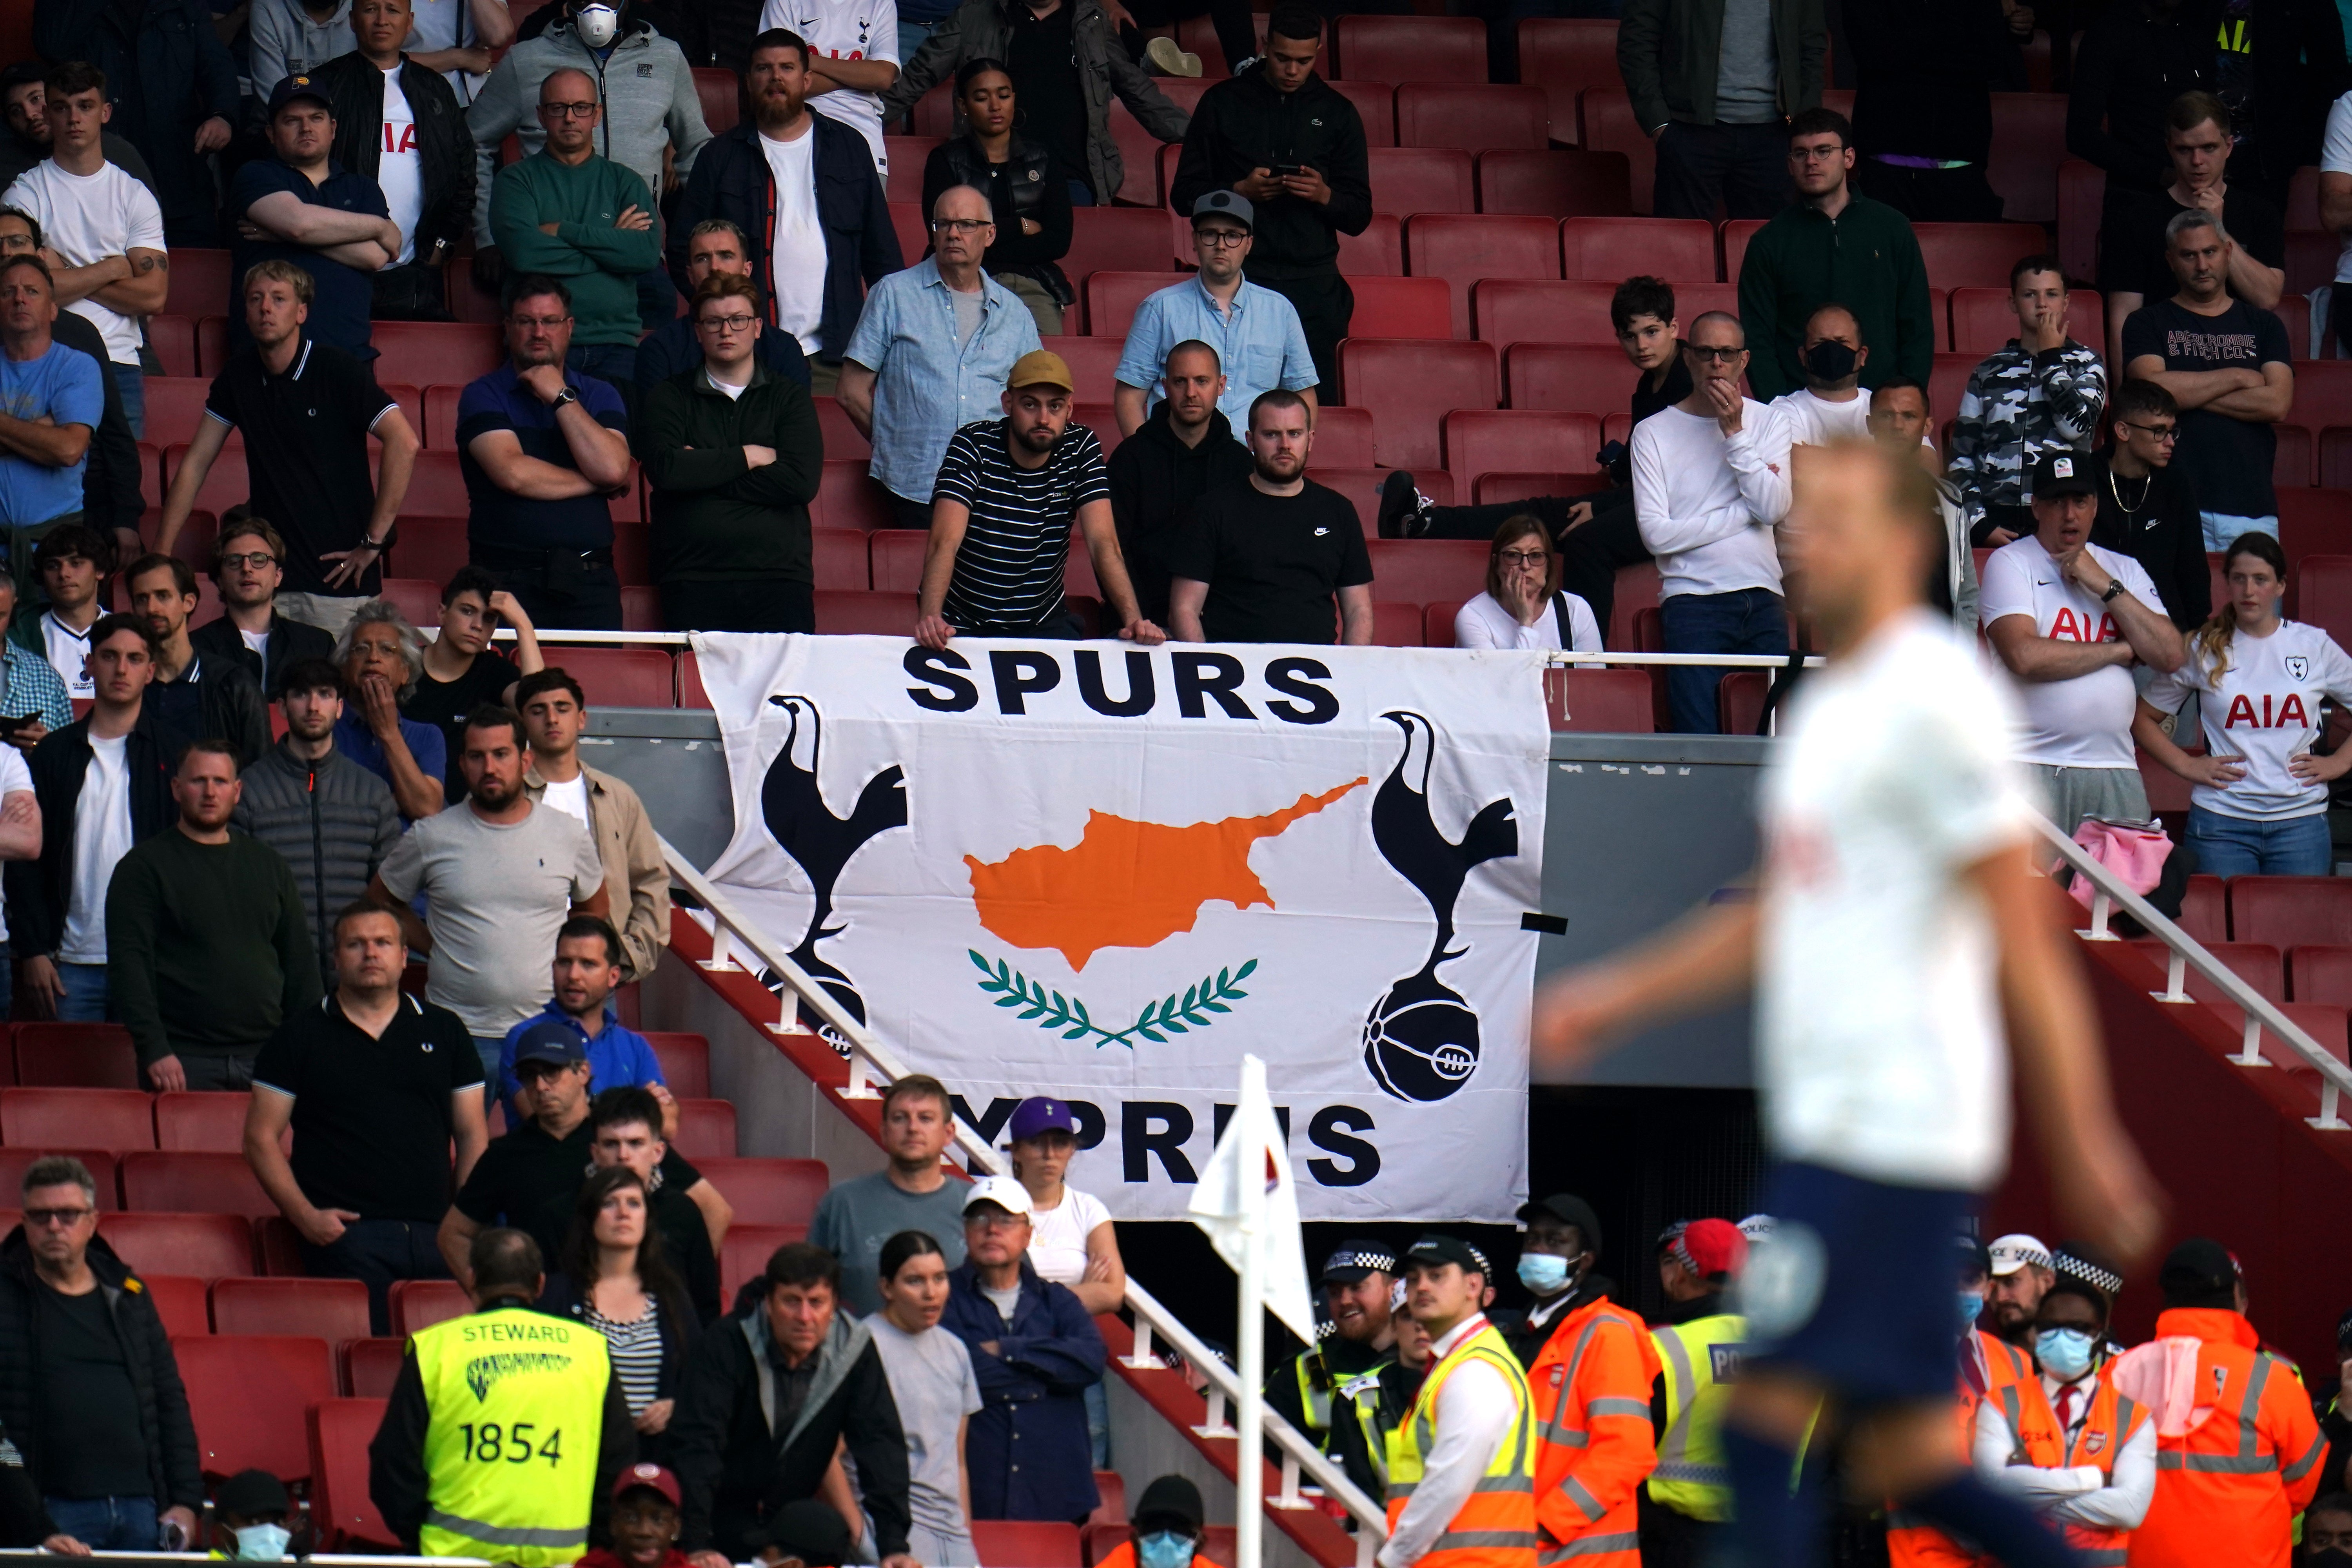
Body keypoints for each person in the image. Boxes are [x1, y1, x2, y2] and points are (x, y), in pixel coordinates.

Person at [1533, 437, 2163, 1568]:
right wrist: (1614, 998)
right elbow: (1776, 914)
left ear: (1908, 541)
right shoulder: (1834, 704)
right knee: (1911, 1462)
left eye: (1832, 515)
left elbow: (2020, 928)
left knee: (1764, 1429)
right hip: (1858, 1124)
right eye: (1798, 516)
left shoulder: (1932, 695)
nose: (1801, 537)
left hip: (1890, 1125)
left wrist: (2086, 1135)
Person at [1383, 273, 1687, 641]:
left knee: (1586, 540)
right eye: (1630, 336)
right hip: (1643, 497)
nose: (1641, 345)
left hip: (1680, 506)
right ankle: (1424, 524)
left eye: (1651, 332)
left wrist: (1603, 510)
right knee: (1539, 515)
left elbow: (1683, 479)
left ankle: (1579, 660)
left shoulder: (1689, 379)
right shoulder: (1649, 384)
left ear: (1674, 327)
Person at [246, 897, 487, 1334]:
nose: (371, 953)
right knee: (372, 1367)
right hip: (347, 1238)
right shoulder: (298, 1036)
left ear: (402, 954)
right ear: (337, 958)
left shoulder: (445, 1030)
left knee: (443, 1373)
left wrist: (464, 1223)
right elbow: (260, 1138)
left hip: (438, 1235)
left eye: (382, 942)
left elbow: (472, 1133)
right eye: (356, 944)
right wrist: (306, 1217)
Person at [156, 262, 420, 632]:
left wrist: (373, 542)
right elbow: (195, 463)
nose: (266, 308)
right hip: (269, 587)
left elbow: (405, 441)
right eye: (256, 299)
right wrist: (162, 554)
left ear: (301, 313)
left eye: (279, 299)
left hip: (339, 587)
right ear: (245, 312)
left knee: (331, 691)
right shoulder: (238, 376)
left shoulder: (337, 370)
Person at [370, 1226, 639, 1563]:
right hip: (564, 1560)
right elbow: (619, 1461)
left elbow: (393, 1462)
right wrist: (594, 1542)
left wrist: (417, 1532)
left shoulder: (436, 1349)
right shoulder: (590, 1350)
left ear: (471, 1279)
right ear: (540, 1283)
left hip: (453, 1558)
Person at [373, 703, 608, 1081]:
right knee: (458, 1141)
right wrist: (432, 944)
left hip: (545, 1027)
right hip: (455, 1030)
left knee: (543, 1142)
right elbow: (380, 902)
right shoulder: (431, 835)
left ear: (525, 760)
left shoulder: (567, 834)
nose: (490, 768)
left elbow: (594, 910)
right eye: (477, 757)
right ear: (462, 765)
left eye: (501, 755)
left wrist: (561, 959)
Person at [670, 29, 902, 399]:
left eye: (787, 68)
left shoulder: (849, 146)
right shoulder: (719, 157)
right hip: (748, 354)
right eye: (764, 69)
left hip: (837, 354)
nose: (776, 77)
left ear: (807, 80)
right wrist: (721, 317)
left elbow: (883, 258)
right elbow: (684, 250)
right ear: (748, 82)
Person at [669, 1241, 918, 1568]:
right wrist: (696, 1542)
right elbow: (699, 1445)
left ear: (834, 1308)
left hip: (791, 1531)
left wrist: (894, 1546)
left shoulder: (854, 1350)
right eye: (791, 1302)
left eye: (817, 1303)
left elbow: (881, 1447)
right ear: (769, 1303)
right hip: (717, 1524)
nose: (805, 1317)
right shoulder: (725, 1342)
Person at [463, 0, 710, 324]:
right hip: (550, 257)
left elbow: (697, 152)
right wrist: (488, 234)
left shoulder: (666, 56)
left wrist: (707, 238)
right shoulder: (527, 59)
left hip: (632, 250)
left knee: (655, 333)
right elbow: (472, 143)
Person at [0, 1155, 201, 1549]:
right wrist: (36, 1527)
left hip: (143, 1510)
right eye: (41, 1216)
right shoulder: (4, 1297)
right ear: (24, 1223)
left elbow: (168, 1402)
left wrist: (186, 1502)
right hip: (52, 1513)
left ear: (93, 1222)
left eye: (68, 1214)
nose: (54, 1226)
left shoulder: (129, 1295)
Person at [1981, 451, 2184, 837]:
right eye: (2057, 502)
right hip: (2027, 763)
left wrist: (2104, 586)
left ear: (2095, 506)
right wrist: (2121, 650)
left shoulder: (2123, 569)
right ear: (2036, 507)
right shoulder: (2011, 562)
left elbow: (2171, 654)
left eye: (2079, 501)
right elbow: (2025, 657)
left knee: (2121, 895)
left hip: (2115, 766)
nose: (2069, 515)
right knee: (2033, 897)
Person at [1166, 7, 1363, 388]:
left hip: (1314, 284)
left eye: (1304, 61)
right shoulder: (1223, 102)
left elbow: (1359, 215)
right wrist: (1238, 193)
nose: (1292, 70)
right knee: (1231, 397)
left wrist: (1324, 195)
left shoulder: (1338, 113)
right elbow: (1183, 196)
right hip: (1237, 278)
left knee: (1313, 404)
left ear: (1319, 52)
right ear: (1264, 46)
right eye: (1283, 58)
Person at [106, 740, 317, 1093]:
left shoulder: (269, 865)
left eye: (220, 782)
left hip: (268, 1057)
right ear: (176, 788)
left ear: (237, 791)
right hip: (182, 1063)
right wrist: (154, 1049)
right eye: (198, 781)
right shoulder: (143, 869)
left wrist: (306, 1048)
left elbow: (300, 965)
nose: (209, 792)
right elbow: (130, 968)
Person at [2137, 530, 2352, 877]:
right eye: (2239, 579)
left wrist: (2339, 762)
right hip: (2221, 823)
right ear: (2228, 584)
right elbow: (2142, 717)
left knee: (2298, 931)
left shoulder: (2313, 645)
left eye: (2261, 580)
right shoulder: (2204, 647)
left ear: (2281, 586)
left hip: (2301, 824)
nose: (2249, 591)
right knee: (2218, 932)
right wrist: (2187, 766)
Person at [2108, 1238, 2325, 1568]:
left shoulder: (2118, 1372)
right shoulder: (2272, 1380)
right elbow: (2304, 1482)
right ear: (2233, 1297)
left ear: (2167, 1298)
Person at [915, 349, 1156, 646]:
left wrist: (1133, 620)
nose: (1043, 418)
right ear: (1008, 404)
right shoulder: (972, 444)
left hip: (1043, 623)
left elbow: (1104, 543)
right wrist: (931, 617)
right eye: (1030, 405)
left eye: (1054, 407)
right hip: (963, 623)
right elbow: (944, 541)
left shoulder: (1081, 447)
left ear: (1069, 409)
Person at [840, 186, 1043, 533]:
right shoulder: (893, 294)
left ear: (990, 234)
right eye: (943, 224)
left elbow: (1034, 398)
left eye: (966, 224)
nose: (952, 233)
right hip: (914, 486)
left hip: (993, 489)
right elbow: (850, 391)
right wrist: (898, 445)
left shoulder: (1015, 313)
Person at [1630, 311, 1793, 735]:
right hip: (1693, 602)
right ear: (1688, 358)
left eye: (1727, 353)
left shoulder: (1770, 420)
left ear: (1744, 360)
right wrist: (1744, 512)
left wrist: (1735, 433)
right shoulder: (1653, 433)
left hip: (1763, 596)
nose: (1716, 363)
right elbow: (1655, 535)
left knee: (1774, 746)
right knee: (1699, 741)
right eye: (1705, 352)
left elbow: (1775, 508)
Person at [438, 1033, 707, 1284]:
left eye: (552, 1072)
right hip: (547, 1314)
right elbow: (454, 1235)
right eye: (529, 1076)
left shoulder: (617, 1137)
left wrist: (680, 1289)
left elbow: (712, 1210)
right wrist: (494, 1299)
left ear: (583, 1073)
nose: (541, 1086)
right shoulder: (506, 1154)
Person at [8, 614, 171, 1024]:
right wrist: (32, 950)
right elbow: (28, 863)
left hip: (153, 963)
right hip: (69, 962)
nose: (122, 669)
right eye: (110, 656)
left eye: (135, 659)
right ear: (90, 664)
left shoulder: (176, 755)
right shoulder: (53, 755)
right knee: (69, 1087)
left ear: (151, 671)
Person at [640, 272, 824, 632]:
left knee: (783, 690)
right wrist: (750, 456)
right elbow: (666, 471)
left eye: (738, 320)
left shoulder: (788, 397)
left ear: (757, 327)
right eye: (713, 321)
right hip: (693, 576)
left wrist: (702, 473)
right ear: (697, 331)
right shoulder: (669, 397)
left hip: (780, 578)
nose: (726, 331)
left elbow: (800, 482)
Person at [884, 0, 1189, 214]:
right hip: (990, 175)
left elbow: (1138, 90)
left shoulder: (1091, 22)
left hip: (1071, 177)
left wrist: (1200, 138)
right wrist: (858, 124)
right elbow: (916, 78)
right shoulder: (974, 16)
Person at [456, 276, 634, 629]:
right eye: (527, 321)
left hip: (590, 584)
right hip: (504, 582)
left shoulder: (601, 395)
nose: (539, 332)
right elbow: (513, 475)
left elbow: (614, 469)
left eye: (550, 322)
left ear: (569, 327)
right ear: (509, 327)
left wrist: (561, 396)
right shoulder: (483, 394)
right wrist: (596, 482)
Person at [0, 64, 165, 437]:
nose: (74, 118)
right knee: (45, 484)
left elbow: (154, 296)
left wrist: (64, 270)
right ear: (48, 115)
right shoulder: (24, 195)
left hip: (120, 362)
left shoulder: (134, 195)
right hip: (47, 356)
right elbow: (22, 291)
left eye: (85, 106)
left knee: (120, 487)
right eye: (61, 108)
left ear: (105, 112)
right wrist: (113, 268)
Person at [2122, 210, 2296, 551]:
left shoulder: (2264, 326)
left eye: (2210, 253)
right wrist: (2238, 376)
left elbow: (2277, 403)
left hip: (2251, 508)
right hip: (2170, 503)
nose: (2202, 265)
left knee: (2252, 607)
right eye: (2189, 255)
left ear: (2228, 253)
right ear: (2171, 261)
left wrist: (2184, 391)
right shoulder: (2146, 323)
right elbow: (2150, 394)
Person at [1737, 109, 1934, 403]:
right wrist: (1778, 408)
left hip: (1883, 407)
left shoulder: (1893, 228)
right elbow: (1757, 339)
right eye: (1800, 153)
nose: (1812, 161)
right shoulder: (1769, 242)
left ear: (1849, 158)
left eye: (1824, 151)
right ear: (1790, 165)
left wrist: (1904, 400)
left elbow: (1916, 325)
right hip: (1797, 408)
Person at [939, 1176, 1105, 1523]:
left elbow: (1090, 1361)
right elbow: (952, 1371)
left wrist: (1006, 1349)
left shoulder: (1057, 1300)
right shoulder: (942, 1297)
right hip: (974, 1497)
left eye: (1005, 1220)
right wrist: (1044, 1378)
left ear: (1028, 1234)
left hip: (1054, 1494)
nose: (992, 1230)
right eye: (980, 1220)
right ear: (965, 1231)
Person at [487, 70, 664, 392]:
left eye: (581, 107)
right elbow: (525, 253)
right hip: (538, 344)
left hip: (616, 346)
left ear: (597, 114)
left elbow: (645, 253)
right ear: (542, 115)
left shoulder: (625, 182)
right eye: (558, 108)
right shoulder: (515, 181)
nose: (570, 118)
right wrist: (612, 247)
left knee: (615, 442)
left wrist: (563, 231)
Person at [309, 0, 479, 320]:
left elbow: (464, 175)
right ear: (353, 20)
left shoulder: (435, 90)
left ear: (410, 21)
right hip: (337, 267)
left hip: (416, 275)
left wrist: (438, 249)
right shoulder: (324, 85)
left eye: (393, 10)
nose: (382, 20)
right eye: (371, 9)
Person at [1376, 1234, 1535, 1568]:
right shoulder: (1461, 1361)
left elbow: (1448, 1482)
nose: (1421, 1287)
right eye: (1414, 1278)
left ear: (1473, 1286)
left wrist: (1393, 1557)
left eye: (1437, 1276)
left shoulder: (1474, 1369)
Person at [1167, 387, 1372, 646]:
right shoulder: (1212, 510)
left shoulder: (1339, 511)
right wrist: (1208, 670)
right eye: (1272, 434)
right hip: (1233, 675)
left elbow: (1359, 612)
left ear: (1310, 440)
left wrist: (1349, 676)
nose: (1285, 445)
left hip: (1319, 675)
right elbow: (1184, 611)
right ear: (1251, 441)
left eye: (1294, 434)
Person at [2101, 93, 2287, 374]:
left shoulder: (2261, 213)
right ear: (2169, 148)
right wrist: (2127, 402)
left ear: (2228, 146)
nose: (2197, 161)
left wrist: (2218, 229)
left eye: (2209, 148)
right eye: (2185, 150)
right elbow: (2123, 319)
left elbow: (2268, 298)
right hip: (2164, 368)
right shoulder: (2135, 218)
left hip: (2239, 361)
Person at [29, 0, 237, 249]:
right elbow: (51, 45)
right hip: (101, 181)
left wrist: (222, 116)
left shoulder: (185, 5)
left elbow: (215, 64)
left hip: (180, 173)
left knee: (195, 269)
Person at [1983, 1269, 2154, 1564]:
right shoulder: (2000, 1404)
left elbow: (2129, 1510)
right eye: (2050, 1326)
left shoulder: (2133, 1417)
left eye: (2076, 1328)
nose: (2061, 1337)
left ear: (2100, 1336)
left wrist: (2027, 1490)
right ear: (2036, 1330)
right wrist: (2094, 1479)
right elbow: (1991, 1495)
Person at [1114, 192, 1315, 442]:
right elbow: (1129, 397)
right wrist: (1148, 461)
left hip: (1256, 467)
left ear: (1249, 244)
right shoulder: (1159, 308)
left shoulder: (1280, 311)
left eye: (1233, 236)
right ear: (1194, 242)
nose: (1221, 245)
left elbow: (1302, 395)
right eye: (1210, 234)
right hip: (1179, 462)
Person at [227, 75, 400, 363]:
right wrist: (380, 226)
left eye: (316, 118)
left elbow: (373, 257)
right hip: (268, 357)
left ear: (333, 129)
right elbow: (299, 224)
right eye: (292, 120)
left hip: (349, 358)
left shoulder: (362, 188)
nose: (306, 128)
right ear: (271, 133)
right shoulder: (255, 175)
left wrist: (281, 235)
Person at [0, 206, 140, 560]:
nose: (5, 252)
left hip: (66, 525)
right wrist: (45, 429)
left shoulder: (77, 340)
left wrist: (125, 516)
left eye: (16, 242)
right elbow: (60, 444)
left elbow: (91, 439)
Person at [1949, 256, 2111, 548]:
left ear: (2066, 302)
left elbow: (2076, 428)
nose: (2042, 304)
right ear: (2012, 303)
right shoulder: (1988, 371)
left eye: (2052, 294)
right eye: (2029, 294)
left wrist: (2051, 358)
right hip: (1996, 519)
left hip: (2062, 518)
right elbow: (1961, 457)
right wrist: (1979, 523)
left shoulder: (2087, 363)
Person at [519, 671, 670, 980]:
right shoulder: (503, 796)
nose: (551, 719)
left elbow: (650, 880)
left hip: (596, 972)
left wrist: (629, 955)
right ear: (522, 722)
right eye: (538, 710)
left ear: (582, 719)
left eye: (562, 708)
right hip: (523, 970)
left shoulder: (617, 797)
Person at [1618, 0, 1826, 221]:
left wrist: (1803, 127)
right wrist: (1658, 123)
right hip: (1689, 129)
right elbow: (1637, 39)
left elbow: (1812, 46)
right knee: (1681, 247)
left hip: (1775, 134)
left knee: (1771, 250)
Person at [543, 1165, 701, 1457]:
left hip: (655, 1458)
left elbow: (700, 1378)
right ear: (590, 1218)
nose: (623, 1213)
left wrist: (675, 1406)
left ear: (647, 1219)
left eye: (634, 1203)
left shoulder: (671, 1295)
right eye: (609, 1203)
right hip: (576, 1454)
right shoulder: (558, 1294)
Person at [1005, 1095, 1121, 1467]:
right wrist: (1078, 1294)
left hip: (1073, 1356)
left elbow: (1113, 1292)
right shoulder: (997, 1206)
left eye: (1060, 1143)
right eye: (1038, 1143)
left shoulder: (1088, 1209)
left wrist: (1031, 1296)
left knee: (1088, 1450)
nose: (1050, 1154)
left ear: (1072, 1150)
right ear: (1017, 1150)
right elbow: (996, 1293)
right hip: (1012, 1357)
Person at [919, 60, 1074, 336]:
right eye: (981, 98)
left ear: (1014, 99)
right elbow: (944, 234)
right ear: (963, 106)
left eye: (1004, 96)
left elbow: (1058, 240)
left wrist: (979, 237)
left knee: (1043, 370)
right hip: (958, 281)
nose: (995, 106)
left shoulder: (1043, 158)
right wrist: (1020, 227)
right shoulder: (946, 160)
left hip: (1031, 282)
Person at [1105, 340, 1252, 628]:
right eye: (1180, 381)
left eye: (1202, 381)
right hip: (1139, 624)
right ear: (1165, 386)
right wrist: (1136, 619)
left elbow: (1246, 557)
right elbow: (1112, 550)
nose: (1191, 393)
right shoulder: (1130, 458)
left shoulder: (1241, 464)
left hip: (1222, 626)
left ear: (1221, 385)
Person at [809, 1076, 971, 1319]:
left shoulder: (977, 1205)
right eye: (900, 1118)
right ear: (884, 1132)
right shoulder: (842, 1204)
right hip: (859, 1354)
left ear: (949, 1134)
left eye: (925, 1118)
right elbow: (808, 1291)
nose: (913, 1128)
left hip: (957, 1355)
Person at [1840, 0, 2014, 224]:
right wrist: (1953, 42)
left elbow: (1991, 59)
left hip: (1959, 155)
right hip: (1884, 154)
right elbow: (1871, 52)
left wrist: (1904, 47)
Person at [866, 1231, 982, 1566]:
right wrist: (862, 1534)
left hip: (953, 1531)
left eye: (940, 1278)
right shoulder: (863, 1346)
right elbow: (833, 1455)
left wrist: (965, 1533)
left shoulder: (955, 1350)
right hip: (891, 1528)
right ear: (887, 1288)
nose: (931, 1293)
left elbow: (956, 1458)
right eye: (915, 1281)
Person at [1642, 1219, 1747, 1568]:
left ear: (1684, 1274)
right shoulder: (1789, 1348)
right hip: (1766, 1533)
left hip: (1676, 1537)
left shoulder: (1663, 1346)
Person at [495, 913, 668, 1123]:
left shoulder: (635, 1046)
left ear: (613, 976)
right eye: (565, 963)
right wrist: (637, 1110)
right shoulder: (525, 1037)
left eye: (588, 964)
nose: (574, 975)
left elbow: (667, 1123)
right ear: (553, 968)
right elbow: (550, 1122)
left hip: (621, 1157)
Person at [579, 1087, 728, 1326]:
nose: (624, 1155)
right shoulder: (564, 1213)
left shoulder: (683, 1212)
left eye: (635, 1143)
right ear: (595, 1153)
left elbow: (705, 1305)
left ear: (658, 1152)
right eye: (611, 1144)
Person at [1265, 1241, 1396, 1504]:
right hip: (1331, 1528)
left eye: (1357, 1288)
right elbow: (1265, 1463)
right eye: (1335, 1293)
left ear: (1393, 1290)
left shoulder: (1423, 1360)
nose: (1345, 1301)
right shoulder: (1305, 1369)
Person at [402, 566, 542, 802]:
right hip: (404, 807)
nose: (478, 625)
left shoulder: (494, 671)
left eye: (489, 618)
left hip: (474, 814)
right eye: (468, 612)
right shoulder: (403, 668)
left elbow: (538, 707)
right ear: (442, 613)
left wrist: (523, 625)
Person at [123, 554, 273, 766]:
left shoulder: (234, 684)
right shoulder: (127, 682)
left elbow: (261, 772)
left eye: (163, 596)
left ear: (189, 602)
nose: (152, 609)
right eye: (142, 599)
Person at [634, 220, 812, 393]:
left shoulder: (784, 350)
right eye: (702, 258)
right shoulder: (660, 350)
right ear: (690, 274)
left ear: (747, 270)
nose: (714, 267)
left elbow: (796, 420)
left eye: (726, 256)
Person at [0, 254, 103, 555]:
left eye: (32, 291)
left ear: (54, 309)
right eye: (8, 292)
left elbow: (68, 450)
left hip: (58, 552)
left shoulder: (77, 367)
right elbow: (58, 444)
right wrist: (42, 431)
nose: (20, 299)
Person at [2089, 383, 2208, 639]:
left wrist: (2195, 635)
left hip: (2160, 629)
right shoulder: (2087, 478)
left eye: (2172, 432)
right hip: (2093, 623)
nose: (2170, 442)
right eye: (2158, 432)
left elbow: (2192, 570)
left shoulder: (2175, 484)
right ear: (2123, 431)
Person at [1867, 377, 1981, 631]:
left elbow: (1967, 593)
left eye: (1909, 416)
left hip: (1939, 660)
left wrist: (1963, 652)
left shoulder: (1950, 500)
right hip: (1873, 659)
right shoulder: (1847, 496)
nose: (1898, 426)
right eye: (1887, 416)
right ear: (1870, 423)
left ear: (1927, 425)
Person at [187, 517, 336, 696]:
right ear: (220, 581)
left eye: (259, 559)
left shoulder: (318, 645)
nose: (247, 568)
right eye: (234, 561)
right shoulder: (194, 648)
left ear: (278, 577)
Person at [330, 600, 448, 820]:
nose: (373, 658)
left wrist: (388, 732)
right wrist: (394, 803)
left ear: (405, 672)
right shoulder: (324, 729)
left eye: (387, 650)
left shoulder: (427, 737)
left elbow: (428, 810)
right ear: (345, 668)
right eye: (361, 649)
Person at [756, 0, 902, 176]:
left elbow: (883, 77)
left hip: (862, 135)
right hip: (792, 136)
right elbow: (780, 86)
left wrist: (810, 60)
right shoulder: (783, 2)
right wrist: (860, 76)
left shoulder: (880, 3)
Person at [0, 64, 156, 199]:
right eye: (16, 111)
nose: (29, 114)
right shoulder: (8, 170)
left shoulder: (118, 153)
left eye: (36, 99)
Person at [1495, 1192, 1612, 1370]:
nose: (1537, 1248)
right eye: (1532, 1239)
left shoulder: (1607, 1331)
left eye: (1555, 1241)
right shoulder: (1514, 1330)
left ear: (1585, 1260)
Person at [10, 526, 107, 702]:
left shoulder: (128, 631)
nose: (64, 574)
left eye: (76, 563)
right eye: (53, 566)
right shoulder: (20, 636)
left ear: (99, 571)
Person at [1766, 302, 1874, 447]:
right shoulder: (1783, 412)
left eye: (1842, 342)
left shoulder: (1880, 407)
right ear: (1803, 356)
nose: (1831, 351)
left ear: (1862, 356)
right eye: (1820, 343)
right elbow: (1795, 461)